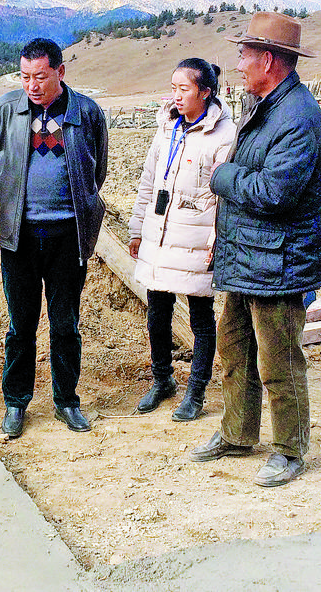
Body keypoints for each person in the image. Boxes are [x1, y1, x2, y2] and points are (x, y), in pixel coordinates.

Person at [190, 12, 321, 487]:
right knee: (235, 349)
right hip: (251, 255)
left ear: (268, 60)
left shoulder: (297, 117)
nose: (238, 64)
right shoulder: (266, 105)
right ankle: (237, 433)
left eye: (244, 55)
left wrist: (223, 176)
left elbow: (274, 192)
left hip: (280, 261)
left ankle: (289, 449)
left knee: (278, 361)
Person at [0, 37, 108, 437]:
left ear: (60, 71)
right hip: (19, 237)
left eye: (40, 76)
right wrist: (14, 208)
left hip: (68, 235)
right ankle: (15, 402)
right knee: (20, 325)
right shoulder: (7, 110)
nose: (32, 85)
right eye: (25, 77)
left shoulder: (86, 112)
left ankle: (66, 401)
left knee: (65, 324)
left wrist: (77, 207)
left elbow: (97, 172)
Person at [128, 58, 236, 420]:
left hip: (197, 238)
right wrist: (137, 229)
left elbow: (224, 197)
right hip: (159, 234)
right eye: (173, 88)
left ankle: (196, 391)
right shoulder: (166, 128)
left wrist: (218, 242)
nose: (176, 95)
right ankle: (162, 380)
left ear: (205, 92)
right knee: (157, 313)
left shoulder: (224, 135)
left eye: (184, 89)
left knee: (201, 317)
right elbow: (149, 182)